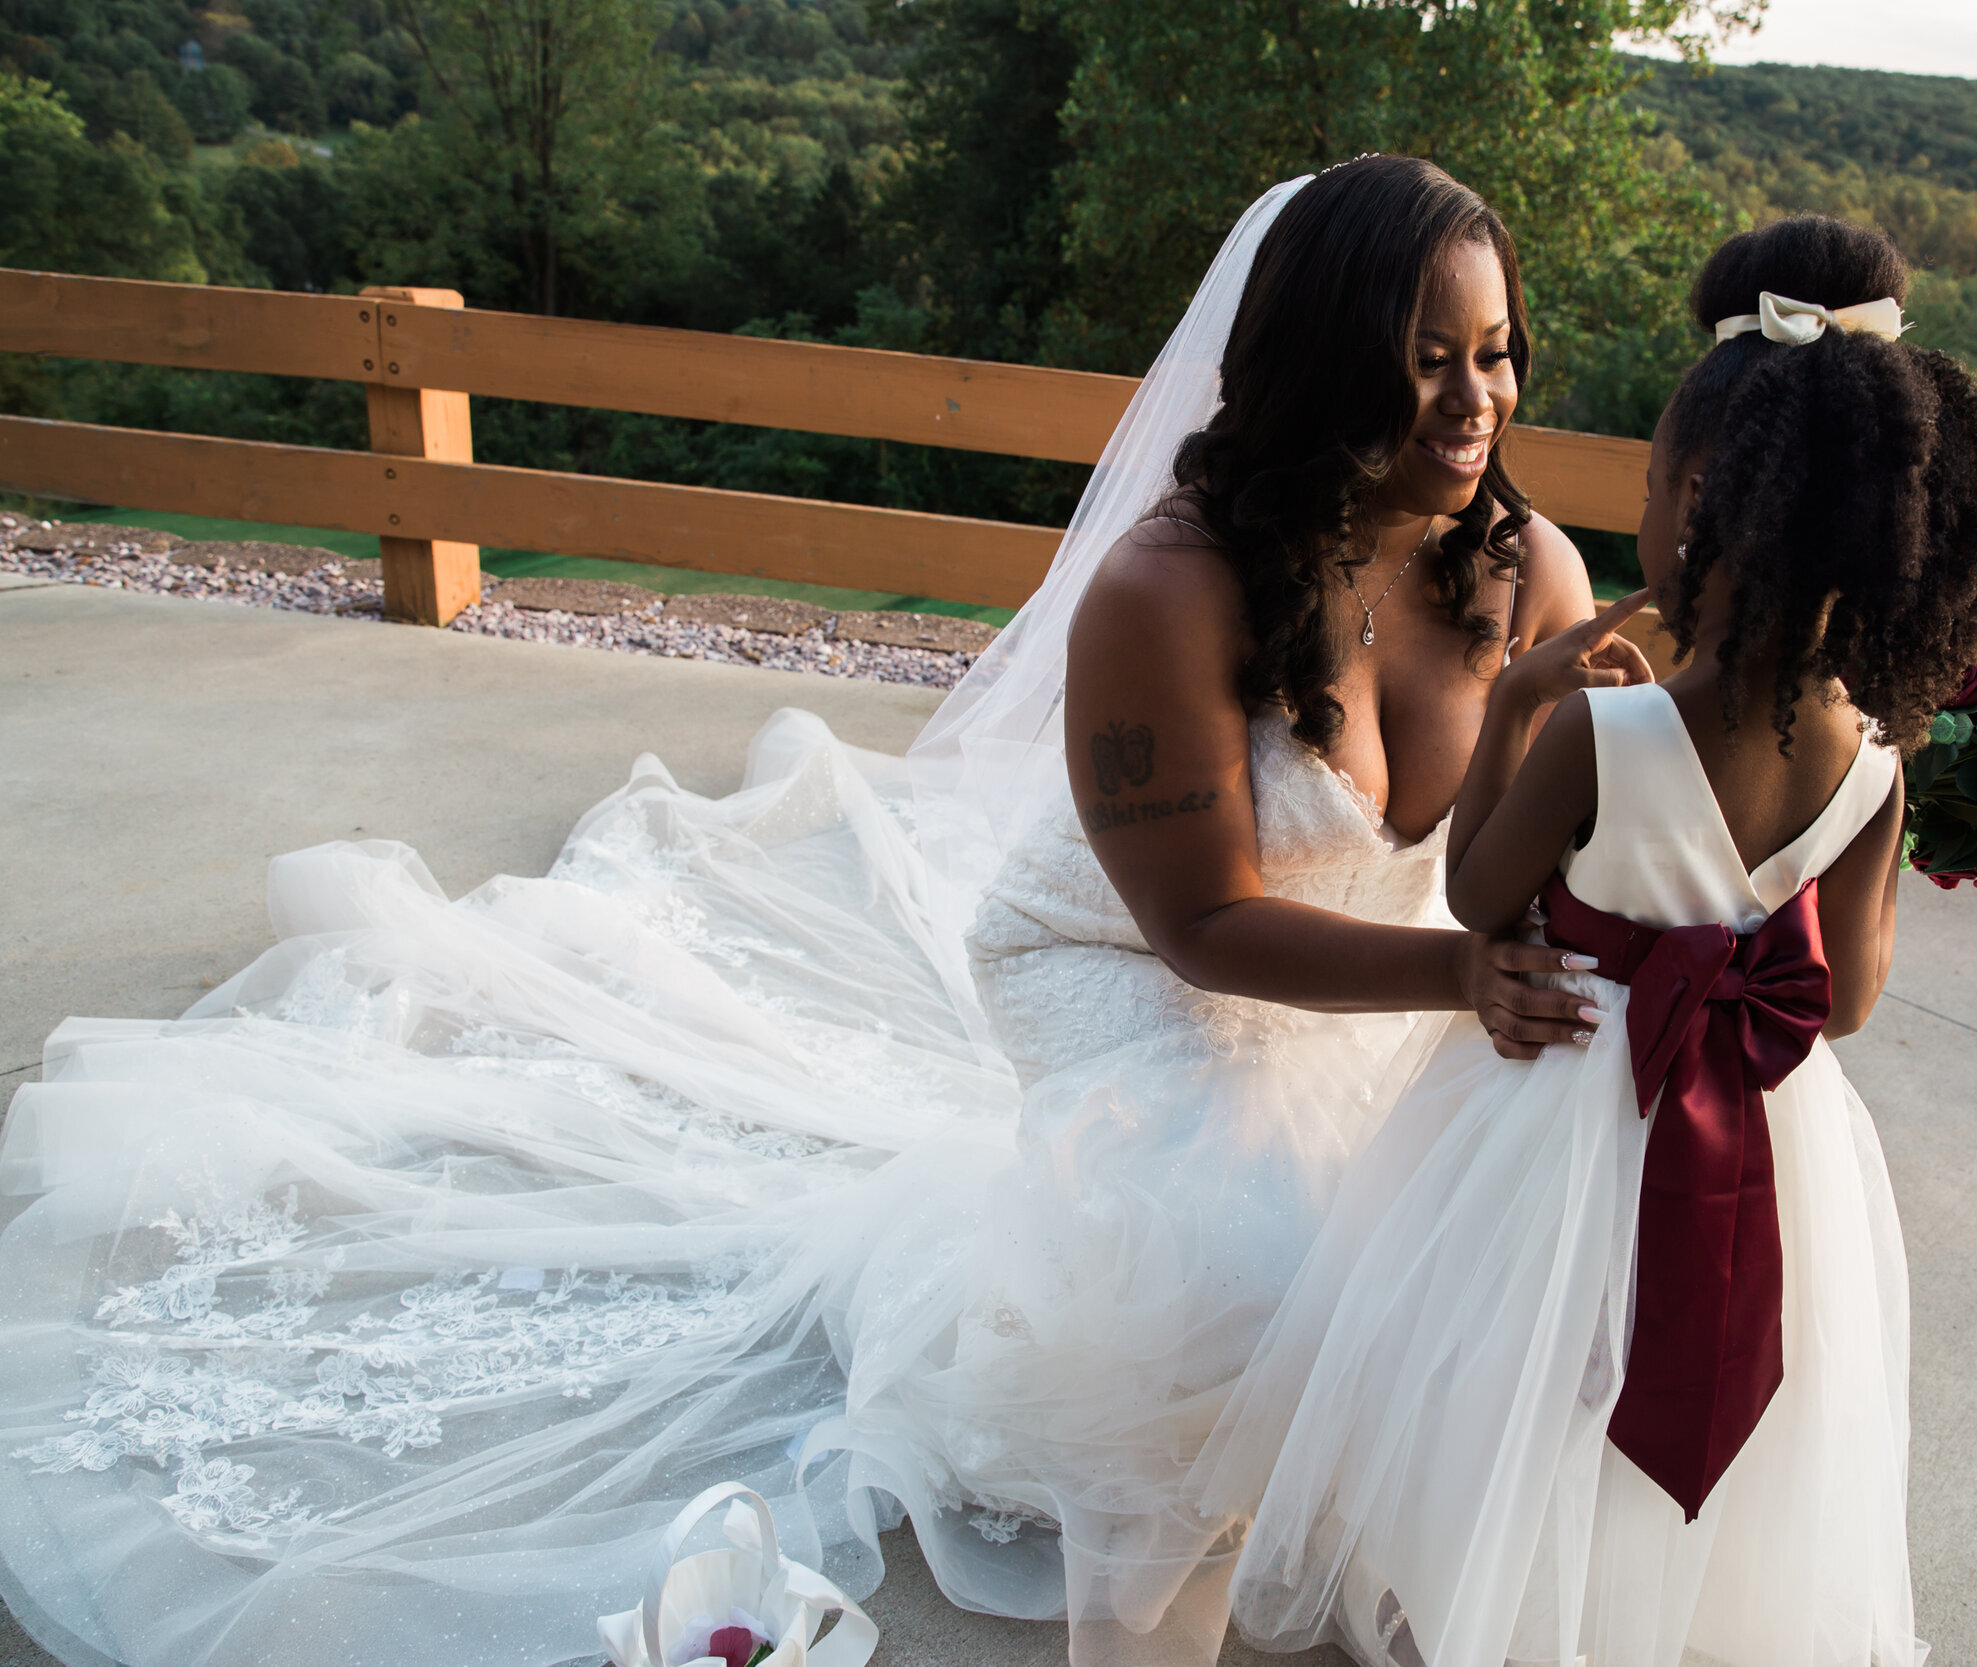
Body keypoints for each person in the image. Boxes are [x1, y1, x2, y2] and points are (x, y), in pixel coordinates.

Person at [0, 159, 1631, 1667]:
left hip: (1389, 973)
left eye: (1497, 353)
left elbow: (1557, 847)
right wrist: (1459, 976)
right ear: (1323, 354)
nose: (1476, 399)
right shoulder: (1170, 589)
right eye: (1429, 356)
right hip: (1136, 967)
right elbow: (1200, 926)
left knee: (1500, 1248)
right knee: (1229, 1278)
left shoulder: (1528, 574)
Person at [1192, 214, 1977, 1667]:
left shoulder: (1605, 726)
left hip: (1569, 1095)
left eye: (1658, 478)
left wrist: (1521, 706)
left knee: (1534, 1378)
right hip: (1772, 1140)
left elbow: (1475, 895)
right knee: (1727, 1396)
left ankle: (1513, 1616)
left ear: (1703, 506)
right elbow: (1842, 997)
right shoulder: (1872, 763)